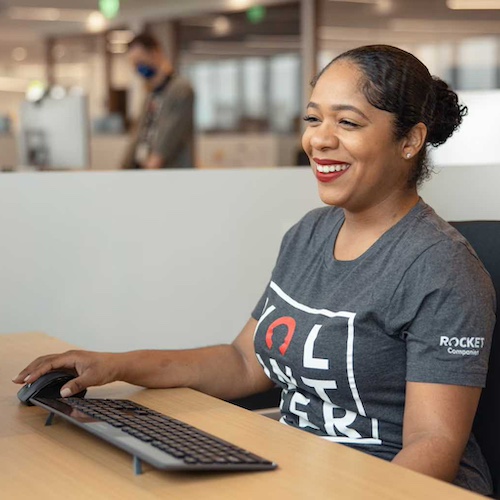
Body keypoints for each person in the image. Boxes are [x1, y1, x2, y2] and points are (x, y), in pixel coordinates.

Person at [13, 45, 495, 495]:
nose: (319, 140)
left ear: (410, 140)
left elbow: (433, 445)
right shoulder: (309, 234)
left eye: (348, 123)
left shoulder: (441, 268)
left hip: (386, 483)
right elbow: (244, 362)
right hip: (300, 468)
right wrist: (114, 364)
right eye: (312, 118)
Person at [121, 32, 195, 169]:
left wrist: (154, 163)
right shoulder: (151, 94)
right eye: (134, 64)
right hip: (145, 170)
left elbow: (170, 135)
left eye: (140, 61)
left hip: (168, 174)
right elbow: (139, 135)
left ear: (156, 53)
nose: (138, 68)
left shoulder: (180, 90)